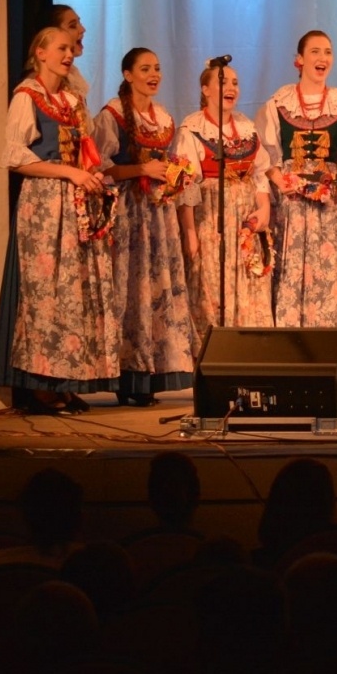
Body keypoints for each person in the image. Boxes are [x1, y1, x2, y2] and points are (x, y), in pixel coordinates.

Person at [0, 27, 120, 415]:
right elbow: (15, 158)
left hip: (76, 202)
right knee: (45, 292)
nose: (68, 54)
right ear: (40, 53)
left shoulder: (72, 101)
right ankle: (42, 385)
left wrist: (90, 175)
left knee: (73, 292)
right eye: (61, 48)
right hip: (45, 204)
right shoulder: (27, 96)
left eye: (70, 49)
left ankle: (66, 379)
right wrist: (68, 173)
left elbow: (85, 152)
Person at [95, 47, 199, 406]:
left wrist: (176, 175)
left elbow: (170, 163)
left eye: (156, 68)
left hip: (159, 215)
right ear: (128, 75)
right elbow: (101, 168)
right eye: (145, 69)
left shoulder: (163, 116)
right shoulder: (112, 115)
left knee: (157, 290)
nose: (154, 75)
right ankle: (128, 377)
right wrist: (141, 169)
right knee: (131, 290)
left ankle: (154, 375)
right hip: (129, 213)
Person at [258, 30, 337, 327]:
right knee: (290, 268)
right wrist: (280, 180)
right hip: (291, 207)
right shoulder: (279, 103)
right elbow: (264, 154)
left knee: (330, 270)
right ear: (299, 59)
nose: (322, 57)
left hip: (329, 204)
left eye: (327, 51)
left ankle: (328, 340)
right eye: (315, 51)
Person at [178, 62, 273, 336]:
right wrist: (190, 232)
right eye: (223, 82)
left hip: (245, 220)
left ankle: (250, 350)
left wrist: (264, 208)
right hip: (212, 220)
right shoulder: (192, 128)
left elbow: (259, 173)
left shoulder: (246, 126)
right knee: (213, 285)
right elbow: (186, 185)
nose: (231, 88)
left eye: (235, 83)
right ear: (206, 89)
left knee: (249, 284)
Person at [49, 4, 91, 103]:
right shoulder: (35, 88)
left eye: (79, 23)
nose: (82, 29)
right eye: (73, 26)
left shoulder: (73, 76)